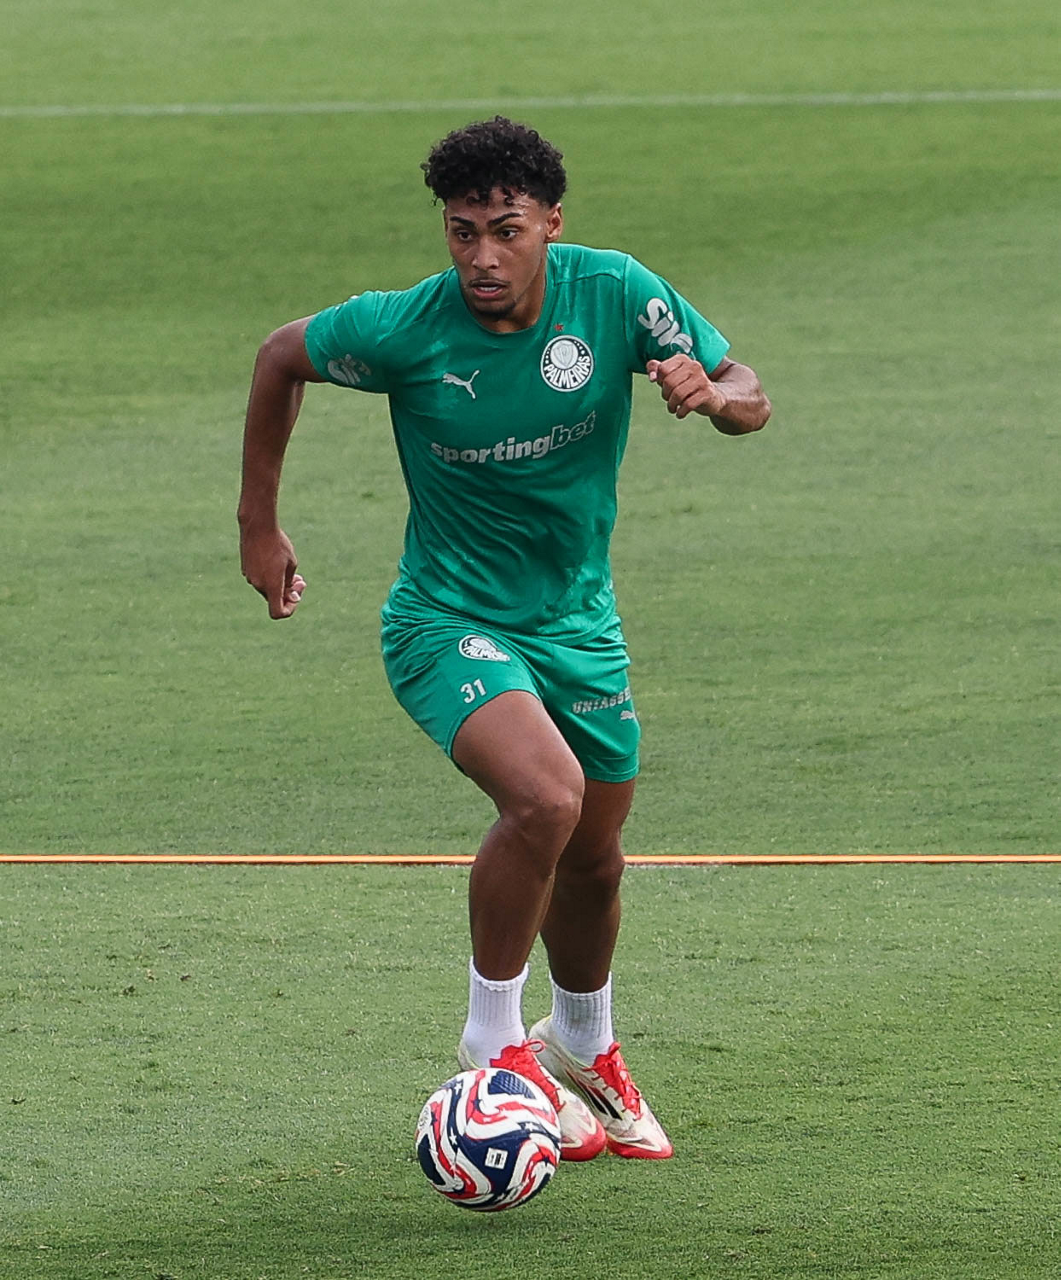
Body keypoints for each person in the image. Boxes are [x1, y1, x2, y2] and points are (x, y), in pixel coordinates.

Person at [238, 116, 771, 1162]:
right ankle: (492, 1042)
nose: (481, 256)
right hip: (445, 621)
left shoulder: (615, 293)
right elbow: (278, 356)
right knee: (545, 796)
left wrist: (715, 398)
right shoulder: (405, 327)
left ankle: (583, 1043)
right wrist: (259, 524)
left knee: (595, 859)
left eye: (505, 230)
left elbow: (750, 392)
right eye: (461, 231)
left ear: (550, 225)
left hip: (577, 625)